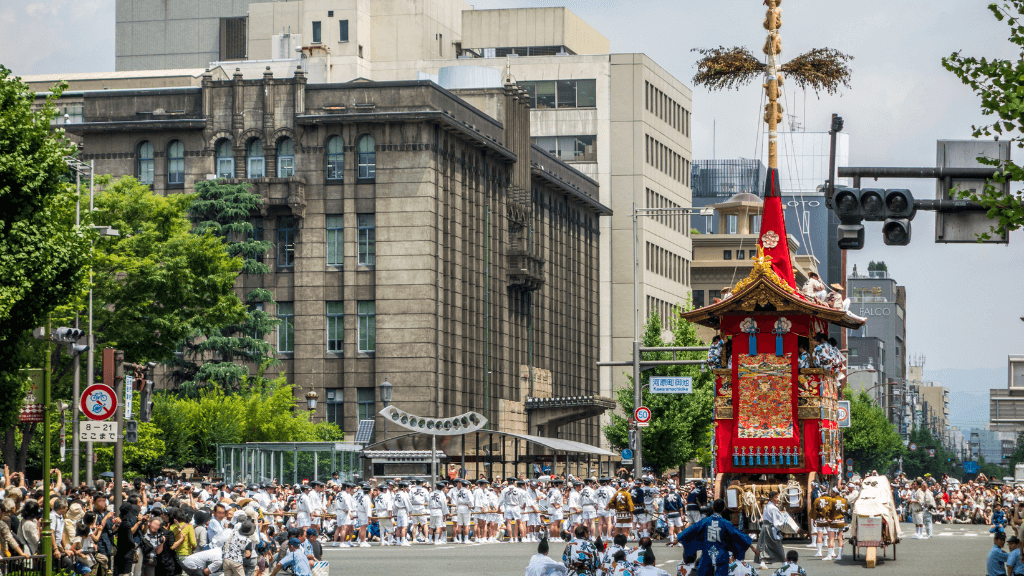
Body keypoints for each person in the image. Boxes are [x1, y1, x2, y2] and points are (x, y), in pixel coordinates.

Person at [678, 499, 752, 576]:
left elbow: (692, 529)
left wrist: (677, 539)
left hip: (707, 554)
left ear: (712, 507)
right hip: (721, 555)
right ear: (723, 509)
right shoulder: (725, 523)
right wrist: (751, 545)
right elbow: (737, 534)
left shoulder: (706, 521)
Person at [754, 492, 787, 570]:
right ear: (771, 498)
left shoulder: (766, 506)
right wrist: (783, 516)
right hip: (771, 528)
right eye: (776, 497)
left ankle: (762, 563)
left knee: (763, 546)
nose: (777, 499)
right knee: (777, 545)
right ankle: (784, 563)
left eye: (777, 497)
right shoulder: (773, 508)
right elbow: (777, 520)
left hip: (765, 527)